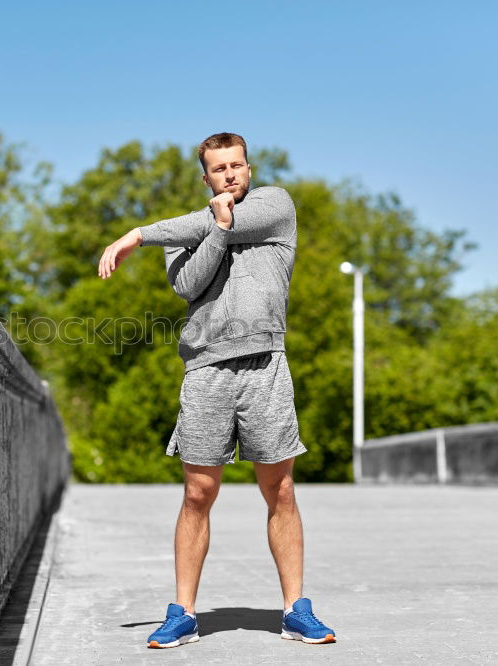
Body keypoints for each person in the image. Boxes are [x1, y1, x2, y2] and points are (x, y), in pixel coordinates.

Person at [96, 132, 336, 649]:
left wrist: (137, 234)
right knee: (197, 493)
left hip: (265, 365)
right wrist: (218, 231)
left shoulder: (275, 206)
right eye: (219, 169)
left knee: (282, 490)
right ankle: (183, 612)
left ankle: (296, 609)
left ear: (248, 169)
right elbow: (189, 285)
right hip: (206, 371)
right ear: (205, 177)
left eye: (237, 166)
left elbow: (225, 219)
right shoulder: (187, 233)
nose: (230, 174)